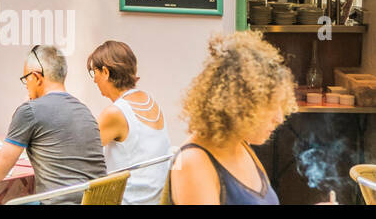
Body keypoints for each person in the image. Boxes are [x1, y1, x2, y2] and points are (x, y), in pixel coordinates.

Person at [0, 44, 105, 203]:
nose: (26, 86)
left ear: (37, 77)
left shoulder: (30, 111)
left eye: (26, 80)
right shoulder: (84, 111)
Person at [168, 31, 294, 205]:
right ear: (239, 104)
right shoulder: (194, 162)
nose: (280, 118)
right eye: (270, 106)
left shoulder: (242, 145)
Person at [88, 40, 171, 204]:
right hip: (155, 200)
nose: (94, 80)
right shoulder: (150, 102)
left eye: (93, 72)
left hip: (129, 200)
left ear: (105, 72)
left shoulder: (115, 113)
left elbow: (81, 155)